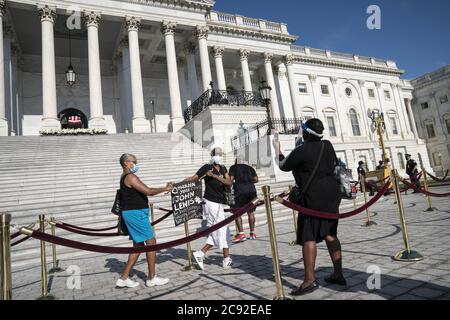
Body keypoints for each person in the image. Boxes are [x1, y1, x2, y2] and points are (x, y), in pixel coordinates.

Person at [274, 118, 345, 296]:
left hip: (312, 199)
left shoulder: (302, 150)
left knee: (309, 237)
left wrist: (278, 151)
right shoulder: (327, 145)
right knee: (330, 234)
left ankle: (309, 280)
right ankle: (338, 273)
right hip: (331, 196)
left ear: (306, 133)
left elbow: (283, 166)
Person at [116, 153, 172, 288]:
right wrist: (166, 188)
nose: (136, 164)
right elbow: (148, 191)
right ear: (126, 163)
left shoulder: (126, 176)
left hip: (134, 213)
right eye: (134, 161)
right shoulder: (130, 177)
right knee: (151, 242)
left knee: (138, 245)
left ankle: (124, 277)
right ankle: (152, 278)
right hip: (135, 214)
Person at [183, 147, 236, 270]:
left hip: (219, 203)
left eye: (220, 154)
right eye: (217, 153)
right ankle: (226, 259)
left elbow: (229, 183)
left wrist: (214, 176)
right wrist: (178, 185)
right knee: (222, 229)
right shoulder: (206, 167)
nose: (219, 156)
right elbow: (194, 178)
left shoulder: (223, 168)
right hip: (210, 202)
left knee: (218, 230)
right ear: (212, 155)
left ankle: (200, 253)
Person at [229, 155, 259, 242]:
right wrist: (249, 182)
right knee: (251, 212)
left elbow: (231, 180)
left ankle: (241, 234)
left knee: (237, 213)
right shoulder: (250, 168)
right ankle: (252, 233)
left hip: (239, 191)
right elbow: (256, 179)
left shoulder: (233, 167)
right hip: (252, 191)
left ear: (236, 162)